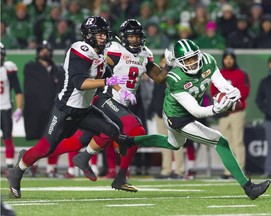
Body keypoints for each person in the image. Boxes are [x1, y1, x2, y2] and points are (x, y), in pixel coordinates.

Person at [117, 39, 271, 200]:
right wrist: (216, 109)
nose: (192, 63)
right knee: (220, 141)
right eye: (187, 60)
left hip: (186, 112)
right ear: (178, 62)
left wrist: (232, 91)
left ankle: (129, 141)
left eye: (194, 58)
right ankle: (248, 187)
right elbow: (196, 111)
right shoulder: (174, 78)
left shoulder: (207, 61)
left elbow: (220, 83)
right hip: (177, 116)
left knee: (173, 144)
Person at [6, 16, 129, 199]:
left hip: (85, 109)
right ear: (88, 35)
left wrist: (123, 91)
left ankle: (83, 158)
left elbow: (108, 74)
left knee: (112, 130)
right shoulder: (80, 50)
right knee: (44, 149)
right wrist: (107, 82)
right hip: (66, 109)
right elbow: (80, 83)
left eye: (104, 34)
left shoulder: (100, 54)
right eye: (99, 34)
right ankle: (16, 172)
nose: (103, 38)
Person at [46, 19, 169, 192]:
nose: (134, 40)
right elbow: (95, 64)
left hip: (123, 103)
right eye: (131, 37)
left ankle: (36, 156)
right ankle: (120, 177)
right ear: (123, 38)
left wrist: (170, 65)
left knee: (76, 142)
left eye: (137, 36)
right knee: (136, 130)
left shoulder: (145, 54)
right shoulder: (114, 51)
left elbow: (159, 78)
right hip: (105, 98)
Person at [23, 40, 65, 177]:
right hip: (37, 110)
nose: (45, 51)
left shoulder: (57, 69)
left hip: (53, 109)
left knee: (54, 140)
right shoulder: (31, 67)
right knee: (40, 141)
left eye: (47, 49)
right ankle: (31, 165)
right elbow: (30, 90)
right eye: (42, 49)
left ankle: (51, 168)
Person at [210, 48, 250, 179]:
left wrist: (229, 103)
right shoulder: (218, 73)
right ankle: (228, 170)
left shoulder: (241, 73)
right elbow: (213, 91)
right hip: (223, 114)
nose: (228, 60)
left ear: (234, 59)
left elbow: (244, 93)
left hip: (236, 113)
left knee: (237, 141)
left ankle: (240, 169)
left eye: (231, 58)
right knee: (225, 143)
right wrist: (223, 104)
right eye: (226, 58)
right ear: (223, 60)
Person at [148, 54, 185, 179]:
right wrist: (151, 109)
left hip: (174, 114)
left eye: (167, 63)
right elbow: (155, 96)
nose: (165, 65)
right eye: (163, 62)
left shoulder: (176, 78)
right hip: (160, 114)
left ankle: (179, 170)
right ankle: (166, 169)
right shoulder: (158, 79)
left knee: (177, 143)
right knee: (165, 143)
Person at [0, 42, 23, 170]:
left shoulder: (8, 68)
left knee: (8, 137)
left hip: (5, 108)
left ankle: (9, 165)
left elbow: (18, 90)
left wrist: (19, 108)